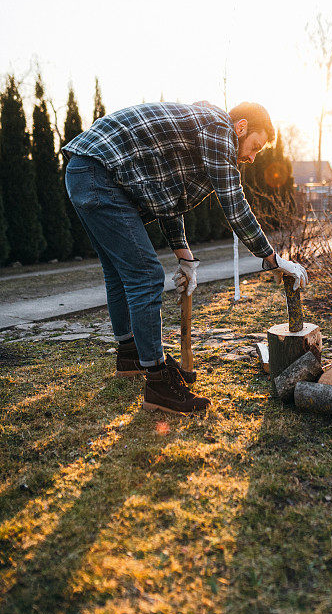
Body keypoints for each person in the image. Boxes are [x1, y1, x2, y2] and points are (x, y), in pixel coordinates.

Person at [63, 100, 308, 414]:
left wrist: (185, 258)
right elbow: (235, 207)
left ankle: (130, 354)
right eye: (255, 146)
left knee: (119, 271)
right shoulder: (220, 130)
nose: (251, 157)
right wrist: (273, 258)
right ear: (241, 127)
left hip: (86, 169)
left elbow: (168, 199)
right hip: (98, 173)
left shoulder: (201, 135)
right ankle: (158, 383)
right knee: (146, 277)